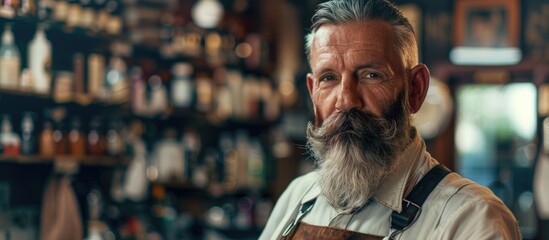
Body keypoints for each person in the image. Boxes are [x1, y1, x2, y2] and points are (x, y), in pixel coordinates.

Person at [259, 0, 521, 239]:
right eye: (328, 78)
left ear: (415, 89)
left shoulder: (470, 220)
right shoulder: (299, 196)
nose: (346, 100)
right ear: (312, 92)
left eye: (371, 75)